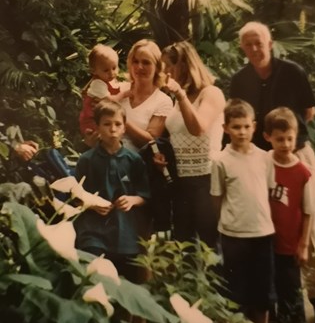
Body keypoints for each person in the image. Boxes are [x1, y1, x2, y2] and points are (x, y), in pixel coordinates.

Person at [230, 21, 315, 322]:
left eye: (259, 42)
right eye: (248, 44)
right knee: (272, 226)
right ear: (242, 48)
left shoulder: (292, 72)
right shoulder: (240, 80)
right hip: (261, 159)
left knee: (309, 226)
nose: (254, 48)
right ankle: (281, 302)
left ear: (270, 42)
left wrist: (288, 145)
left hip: (297, 154)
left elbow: (308, 113)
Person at [210, 99, 275, 323]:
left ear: (254, 126)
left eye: (246, 126)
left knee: (263, 286)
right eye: (236, 127)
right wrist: (229, 221)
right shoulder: (220, 160)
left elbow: (267, 191)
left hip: (262, 231)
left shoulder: (265, 158)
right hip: (233, 234)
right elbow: (217, 198)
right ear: (226, 128)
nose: (242, 132)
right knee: (235, 287)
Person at [74, 100, 150, 282]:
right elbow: (76, 196)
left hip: (125, 234)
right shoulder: (87, 160)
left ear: (125, 128)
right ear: (98, 128)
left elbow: (145, 195)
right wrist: (91, 204)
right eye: (107, 124)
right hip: (93, 232)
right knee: (94, 279)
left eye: (118, 124)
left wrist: (132, 200)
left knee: (126, 283)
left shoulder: (134, 160)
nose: (113, 129)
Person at [159, 41, 226, 248]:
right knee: (183, 245)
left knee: (209, 245)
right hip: (182, 179)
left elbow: (199, 128)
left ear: (186, 65)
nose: (166, 72)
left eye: (170, 65)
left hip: (206, 178)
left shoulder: (211, 93)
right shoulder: (179, 98)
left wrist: (179, 95)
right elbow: (175, 136)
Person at [264, 107, 313, 323]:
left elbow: (308, 211)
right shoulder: (263, 163)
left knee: (289, 292)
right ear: (268, 137)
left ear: (296, 136)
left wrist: (303, 245)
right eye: (279, 139)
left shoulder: (303, 172)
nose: (285, 144)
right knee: (266, 291)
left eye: (289, 139)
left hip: (289, 243)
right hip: (264, 240)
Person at [120, 39, 173, 152]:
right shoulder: (119, 90)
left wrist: (120, 119)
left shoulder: (163, 101)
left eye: (146, 62)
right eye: (135, 61)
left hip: (137, 164)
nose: (139, 67)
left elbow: (150, 142)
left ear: (158, 67)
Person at [79, 44, 130, 147]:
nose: (111, 73)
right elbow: (111, 100)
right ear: (94, 71)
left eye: (114, 68)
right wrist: (124, 94)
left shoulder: (107, 80)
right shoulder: (98, 84)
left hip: (99, 119)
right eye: (106, 70)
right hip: (91, 120)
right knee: (101, 141)